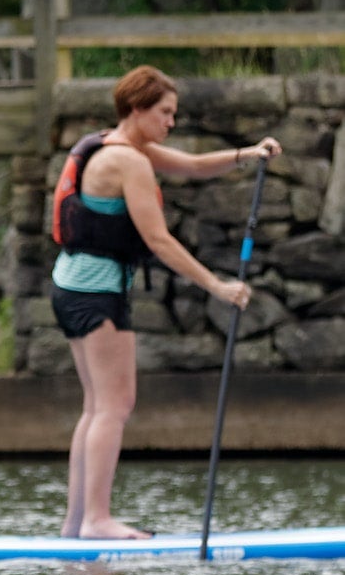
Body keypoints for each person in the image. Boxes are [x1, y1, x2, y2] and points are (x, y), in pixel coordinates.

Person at [50, 65, 281, 540]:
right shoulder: (128, 162)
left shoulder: (112, 145)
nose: (171, 122)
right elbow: (158, 240)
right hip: (96, 292)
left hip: (73, 285)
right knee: (115, 404)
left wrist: (247, 154)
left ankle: (76, 523)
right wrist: (217, 287)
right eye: (165, 113)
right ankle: (97, 520)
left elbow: (191, 166)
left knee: (97, 405)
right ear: (137, 110)